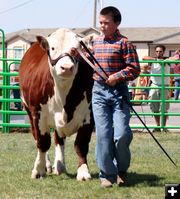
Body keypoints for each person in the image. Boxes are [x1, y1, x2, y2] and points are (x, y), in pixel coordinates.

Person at [91, 6, 140, 188]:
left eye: (106, 23)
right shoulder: (95, 42)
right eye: (100, 22)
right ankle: (106, 174)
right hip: (98, 92)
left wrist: (117, 77)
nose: (102, 26)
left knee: (122, 135)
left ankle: (122, 170)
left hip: (119, 92)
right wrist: (76, 56)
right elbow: (88, 61)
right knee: (103, 135)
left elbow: (134, 69)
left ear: (117, 23)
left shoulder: (124, 43)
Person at [142, 45, 170, 132]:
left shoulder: (166, 61)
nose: (158, 53)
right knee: (154, 107)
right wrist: (153, 62)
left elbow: (175, 58)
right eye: (157, 51)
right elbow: (144, 57)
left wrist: (163, 61)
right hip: (154, 85)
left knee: (164, 107)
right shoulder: (152, 61)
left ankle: (164, 127)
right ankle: (158, 126)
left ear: (164, 52)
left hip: (164, 86)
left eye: (160, 51)